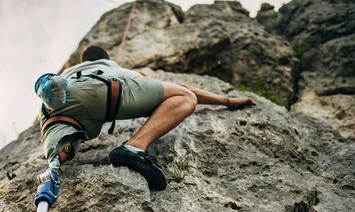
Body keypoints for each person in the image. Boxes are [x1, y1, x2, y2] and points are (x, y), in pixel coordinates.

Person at [37, 45, 255, 190]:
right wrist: (226, 101)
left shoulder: (70, 72)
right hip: (99, 90)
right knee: (184, 96)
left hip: (52, 109)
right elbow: (179, 88)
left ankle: (61, 152)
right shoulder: (111, 66)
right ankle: (133, 147)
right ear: (106, 58)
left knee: (62, 143)